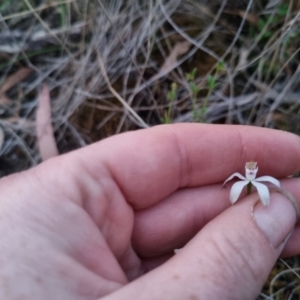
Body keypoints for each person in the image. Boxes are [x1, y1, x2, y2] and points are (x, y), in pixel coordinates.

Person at [0, 123, 299, 300]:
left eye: (252, 169)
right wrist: (243, 244)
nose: (249, 169)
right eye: (248, 169)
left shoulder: (260, 184)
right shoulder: (239, 184)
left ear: (254, 171)